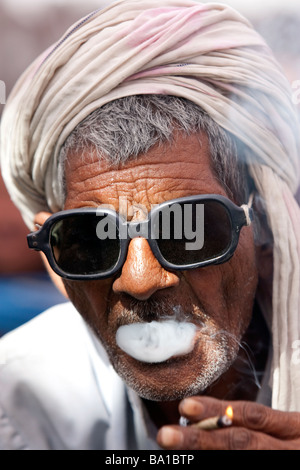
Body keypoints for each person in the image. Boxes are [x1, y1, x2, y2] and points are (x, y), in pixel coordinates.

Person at [0, 0, 299, 450]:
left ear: (264, 230)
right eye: (91, 240)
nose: (139, 280)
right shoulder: (20, 406)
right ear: (56, 267)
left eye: (188, 230)